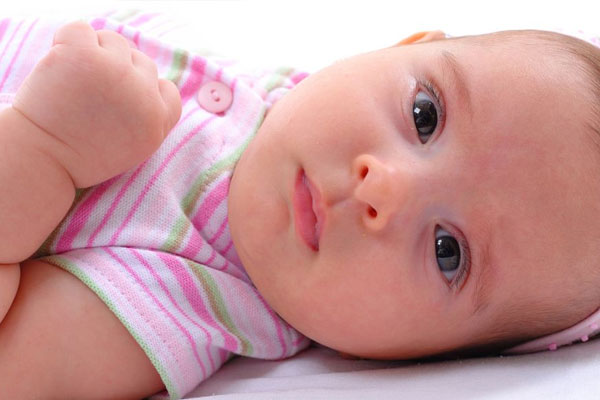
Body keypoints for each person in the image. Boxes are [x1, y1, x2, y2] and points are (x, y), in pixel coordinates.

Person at [1, 13, 600, 400]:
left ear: (416, 356)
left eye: (449, 252)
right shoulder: (271, 90)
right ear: (399, 48)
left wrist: (43, 148)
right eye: (425, 115)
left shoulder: (179, 307)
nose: (383, 188)